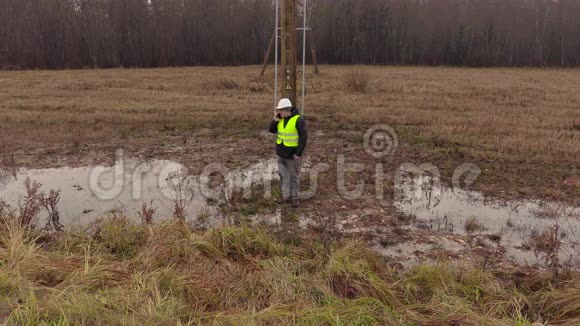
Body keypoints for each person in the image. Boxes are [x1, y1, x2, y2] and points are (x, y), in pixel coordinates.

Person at [269, 98, 308, 207]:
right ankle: (285, 196)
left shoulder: (298, 120)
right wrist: (275, 120)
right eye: (278, 110)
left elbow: (303, 138)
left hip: (292, 155)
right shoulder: (280, 119)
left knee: (293, 176)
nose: (279, 112)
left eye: (280, 110)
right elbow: (272, 130)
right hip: (281, 154)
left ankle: (294, 197)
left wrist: (298, 153)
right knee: (283, 175)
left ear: (287, 110)